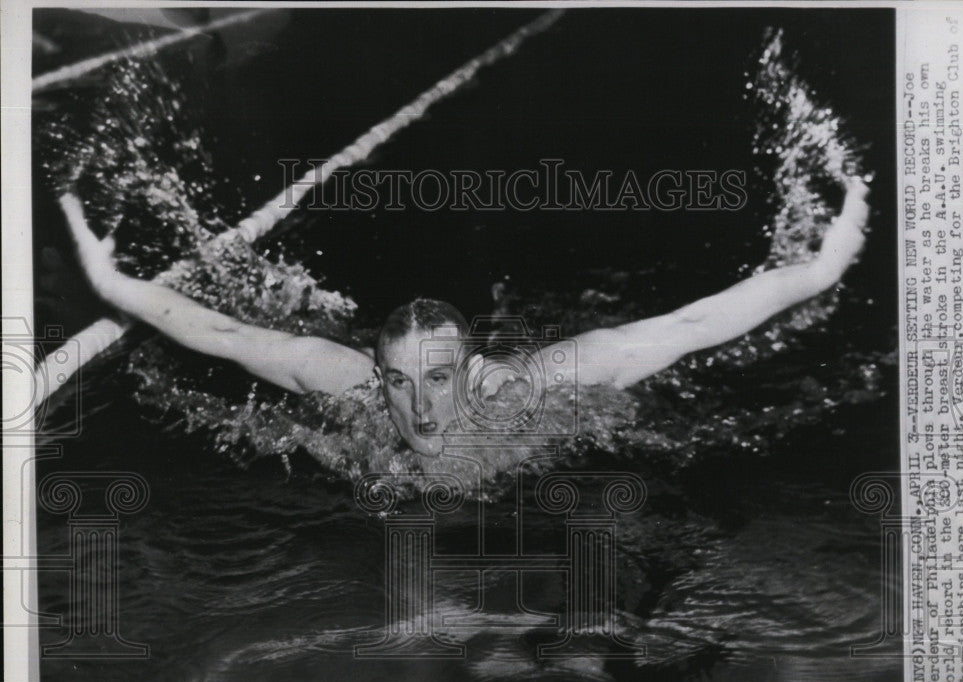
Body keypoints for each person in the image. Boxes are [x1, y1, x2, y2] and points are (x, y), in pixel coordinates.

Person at [57, 177, 870, 457]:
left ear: (473, 373)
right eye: (401, 383)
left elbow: (691, 326)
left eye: (439, 380)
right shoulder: (347, 389)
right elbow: (228, 336)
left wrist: (823, 269)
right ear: (378, 378)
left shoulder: (533, 390)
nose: (417, 409)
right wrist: (110, 280)